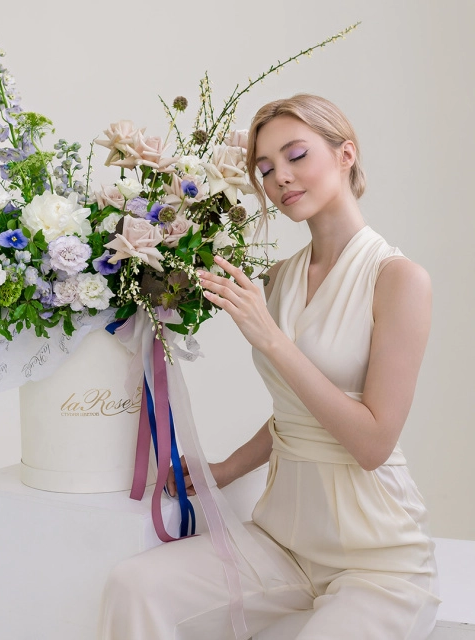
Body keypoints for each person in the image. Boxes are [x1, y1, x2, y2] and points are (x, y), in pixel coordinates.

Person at [97, 94, 440, 640]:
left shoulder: (399, 280)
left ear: (345, 154)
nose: (280, 177)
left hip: (377, 563)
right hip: (283, 542)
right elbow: (294, 411)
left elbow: (374, 444)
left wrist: (274, 341)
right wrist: (225, 469)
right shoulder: (279, 277)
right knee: (133, 586)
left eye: (296, 155)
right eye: (264, 168)